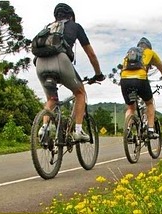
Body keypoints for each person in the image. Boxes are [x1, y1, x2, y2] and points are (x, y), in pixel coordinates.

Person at [36, 3, 105, 141]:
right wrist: (98, 74)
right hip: (61, 61)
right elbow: (91, 55)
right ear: (71, 16)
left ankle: (44, 128)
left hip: (40, 63)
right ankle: (78, 130)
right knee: (80, 93)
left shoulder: (48, 27)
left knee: (51, 99)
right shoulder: (76, 26)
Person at [120, 37, 162, 139]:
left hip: (124, 80)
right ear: (149, 47)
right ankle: (151, 130)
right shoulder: (150, 52)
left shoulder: (129, 54)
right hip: (140, 79)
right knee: (149, 103)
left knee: (130, 107)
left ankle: (128, 131)